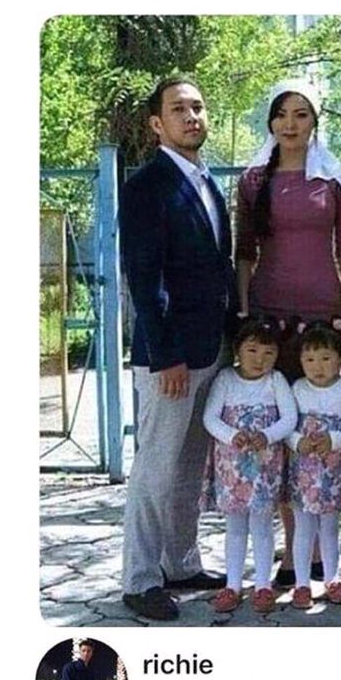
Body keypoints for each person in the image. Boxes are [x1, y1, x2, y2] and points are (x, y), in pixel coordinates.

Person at [120, 76, 238, 620]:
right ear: (156, 124)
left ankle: (181, 563)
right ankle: (141, 580)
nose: (192, 116)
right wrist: (165, 354)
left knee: (191, 465)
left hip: (209, 348)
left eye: (198, 106)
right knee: (156, 467)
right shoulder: (149, 184)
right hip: (169, 357)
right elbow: (144, 277)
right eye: (178, 109)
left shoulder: (208, 183)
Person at [235, 78, 341, 587]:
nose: (291, 123)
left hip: (321, 316)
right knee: (278, 432)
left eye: (301, 114)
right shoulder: (252, 180)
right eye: (282, 113)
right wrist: (245, 312)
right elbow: (244, 253)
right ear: (270, 121)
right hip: (267, 315)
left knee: (313, 427)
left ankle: (308, 552)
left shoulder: (334, 180)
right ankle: (285, 554)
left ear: (315, 121)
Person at [201, 317, 297, 615]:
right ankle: (232, 585)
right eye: (253, 350)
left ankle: (263, 586)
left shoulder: (276, 381)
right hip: (232, 469)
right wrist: (233, 436)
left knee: (263, 526)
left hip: (265, 468)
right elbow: (210, 418)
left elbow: (289, 419)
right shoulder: (226, 380)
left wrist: (267, 436)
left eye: (269, 353)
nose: (260, 359)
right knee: (235, 527)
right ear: (237, 350)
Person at [286, 322, 341, 609]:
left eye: (326, 358)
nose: (317, 366)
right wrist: (297, 441)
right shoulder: (296, 389)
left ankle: (332, 577)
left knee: (330, 527)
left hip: (334, 470)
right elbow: (287, 425)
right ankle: (302, 583)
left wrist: (336, 439)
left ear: (340, 359)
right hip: (304, 471)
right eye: (309, 359)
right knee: (303, 526)